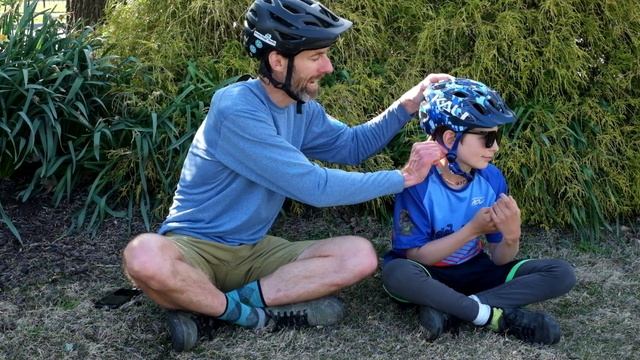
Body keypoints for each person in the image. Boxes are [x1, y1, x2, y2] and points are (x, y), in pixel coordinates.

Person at [122, 0, 452, 352]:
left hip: (253, 251)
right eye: (316, 56)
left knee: (359, 256)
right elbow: (315, 187)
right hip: (194, 247)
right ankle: (249, 315)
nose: (327, 66)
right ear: (278, 60)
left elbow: (352, 146)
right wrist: (403, 178)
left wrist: (409, 103)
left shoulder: (301, 110)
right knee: (144, 256)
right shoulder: (237, 109)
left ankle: (207, 306)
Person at [381, 78, 576, 345]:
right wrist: (471, 231)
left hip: (475, 271)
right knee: (396, 274)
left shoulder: (491, 179)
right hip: (428, 274)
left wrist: (511, 237)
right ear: (451, 138)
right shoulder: (417, 184)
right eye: (488, 137)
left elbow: (499, 259)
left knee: (560, 273)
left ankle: (454, 311)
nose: (495, 147)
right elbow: (419, 256)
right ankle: (491, 315)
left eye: (497, 137)